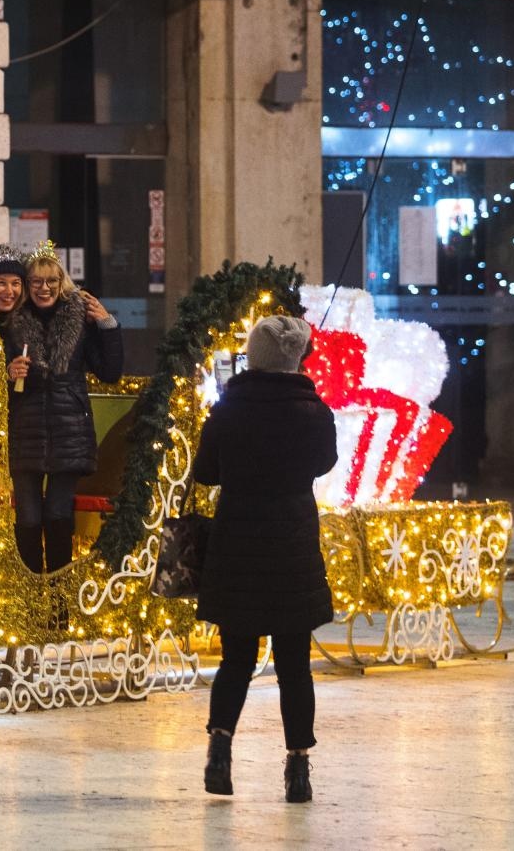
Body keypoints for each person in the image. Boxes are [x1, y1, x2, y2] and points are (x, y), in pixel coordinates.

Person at [192, 314, 337, 804]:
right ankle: (298, 770)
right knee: (295, 665)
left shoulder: (228, 411)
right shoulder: (315, 413)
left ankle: (220, 753)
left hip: (237, 549)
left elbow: (205, 473)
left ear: (251, 356)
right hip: (292, 547)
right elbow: (324, 464)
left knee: (236, 660)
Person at [3, 245, 123, 574]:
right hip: (26, 432)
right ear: (28, 285)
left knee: (58, 514)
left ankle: (58, 607)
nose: (44, 289)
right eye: (36, 282)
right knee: (27, 516)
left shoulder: (79, 320)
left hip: (68, 430)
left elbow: (110, 372)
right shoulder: (13, 322)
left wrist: (107, 324)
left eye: (51, 282)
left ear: (62, 283)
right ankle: (30, 601)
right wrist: (8, 373)